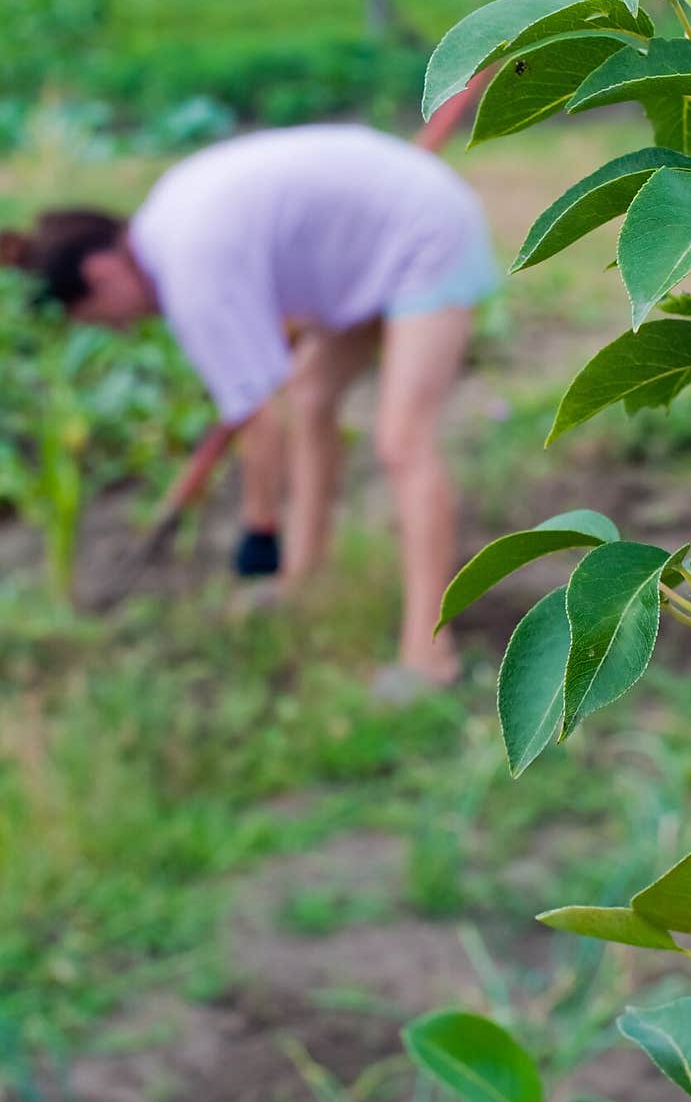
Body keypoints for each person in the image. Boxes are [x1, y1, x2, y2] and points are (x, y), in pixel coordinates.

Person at [1, 125, 498, 693]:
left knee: (402, 442)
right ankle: (303, 581)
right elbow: (275, 388)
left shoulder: (189, 270)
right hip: (382, 230)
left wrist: (256, 533)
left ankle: (428, 657)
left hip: (422, 238)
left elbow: (263, 421)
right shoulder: (167, 226)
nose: (118, 327)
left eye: (98, 316)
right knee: (311, 393)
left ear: (100, 275)